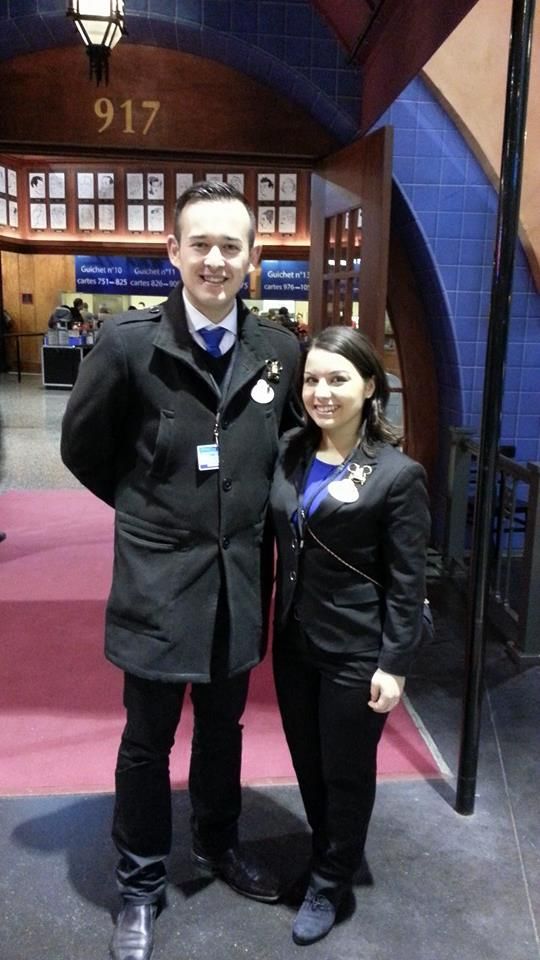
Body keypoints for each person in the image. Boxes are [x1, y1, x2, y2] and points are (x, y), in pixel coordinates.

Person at [60, 180, 301, 960]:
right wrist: (151, 510)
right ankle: (139, 884)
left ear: (252, 256)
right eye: (200, 244)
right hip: (159, 583)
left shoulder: (278, 349)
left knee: (224, 729)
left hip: (239, 581)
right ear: (173, 250)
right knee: (147, 739)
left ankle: (219, 842)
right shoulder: (129, 343)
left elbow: (287, 448)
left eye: (231, 245)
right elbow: (82, 447)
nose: (215, 260)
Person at [270, 325, 430, 945]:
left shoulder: (396, 474)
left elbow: (408, 579)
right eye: (312, 379)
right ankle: (325, 854)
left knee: (345, 771)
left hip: (358, 650)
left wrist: (395, 663)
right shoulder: (289, 451)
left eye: (337, 379)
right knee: (307, 763)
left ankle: (331, 880)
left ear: (369, 386)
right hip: (295, 641)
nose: (322, 392)